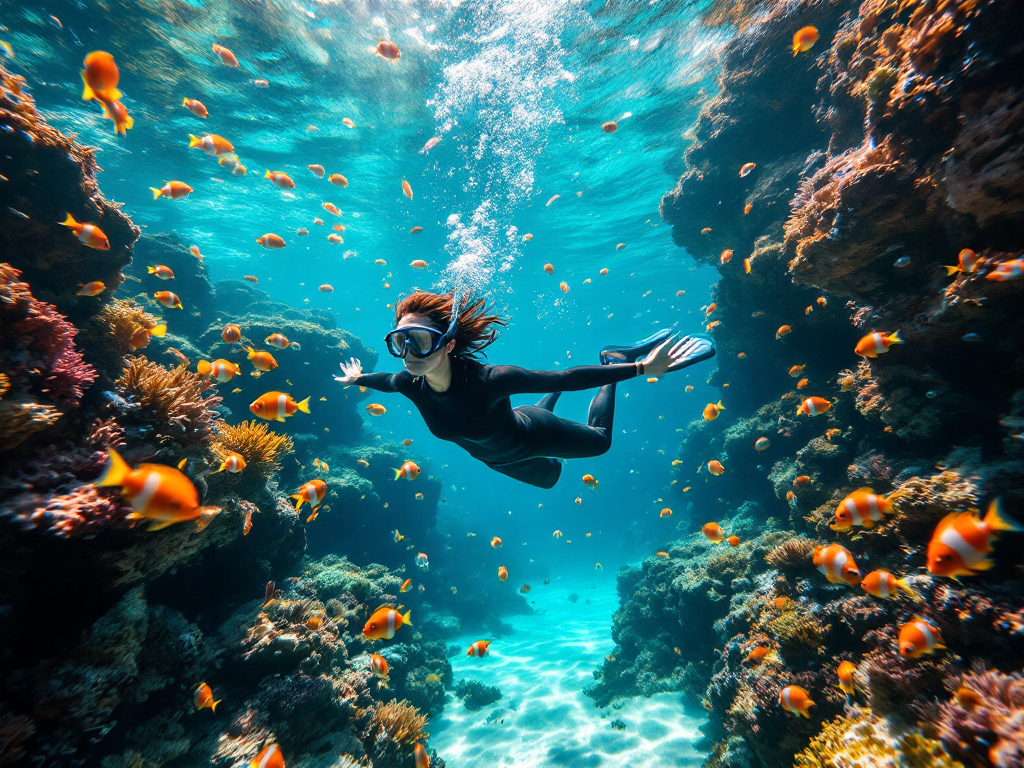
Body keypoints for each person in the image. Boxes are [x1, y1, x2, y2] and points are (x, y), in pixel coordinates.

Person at [334, 291, 715, 488]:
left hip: (531, 435)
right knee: (551, 479)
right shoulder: (409, 382)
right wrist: (357, 379)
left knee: (601, 443)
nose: (407, 354)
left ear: (448, 343)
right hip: (498, 459)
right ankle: (550, 409)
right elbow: (384, 381)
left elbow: (564, 378)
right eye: (399, 342)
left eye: (418, 340)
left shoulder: (492, 380)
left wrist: (641, 368)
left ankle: (612, 358)